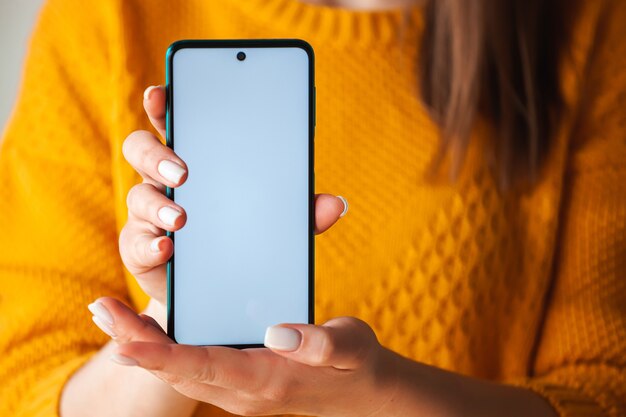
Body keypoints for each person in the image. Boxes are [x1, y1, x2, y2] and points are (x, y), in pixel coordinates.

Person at [0, 0, 624, 416]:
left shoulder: (584, 22)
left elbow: (602, 389)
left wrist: (377, 394)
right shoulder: (104, 17)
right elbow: (22, 385)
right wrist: (166, 331)